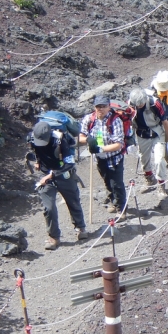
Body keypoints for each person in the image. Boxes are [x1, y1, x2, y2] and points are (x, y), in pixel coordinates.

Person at [29, 122, 87, 250]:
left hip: (64, 175)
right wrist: (38, 162)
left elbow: (70, 163)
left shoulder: (61, 141)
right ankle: (54, 237)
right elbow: (36, 151)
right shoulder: (32, 139)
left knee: (73, 202)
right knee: (49, 208)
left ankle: (81, 228)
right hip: (46, 178)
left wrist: (50, 175)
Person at [80, 94, 127, 215]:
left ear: (108, 107)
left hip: (115, 158)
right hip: (100, 159)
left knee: (117, 183)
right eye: (97, 106)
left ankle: (121, 208)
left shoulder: (115, 121)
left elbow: (118, 144)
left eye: (103, 106)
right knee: (107, 181)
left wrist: (100, 149)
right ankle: (113, 201)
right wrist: (89, 141)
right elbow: (81, 137)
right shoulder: (89, 119)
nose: (100, 109)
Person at [128, 88, 168, 197]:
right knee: (144, 159)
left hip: (157, 132)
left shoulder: (155, 104)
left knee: (159, 161)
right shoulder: (129, 105)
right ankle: (149, 179)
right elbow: (128, 123)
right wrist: (129, 141)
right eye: (137, 105)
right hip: (141, 134)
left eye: (141, 104)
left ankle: (161, 185)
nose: (139, 106)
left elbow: (165, 123)